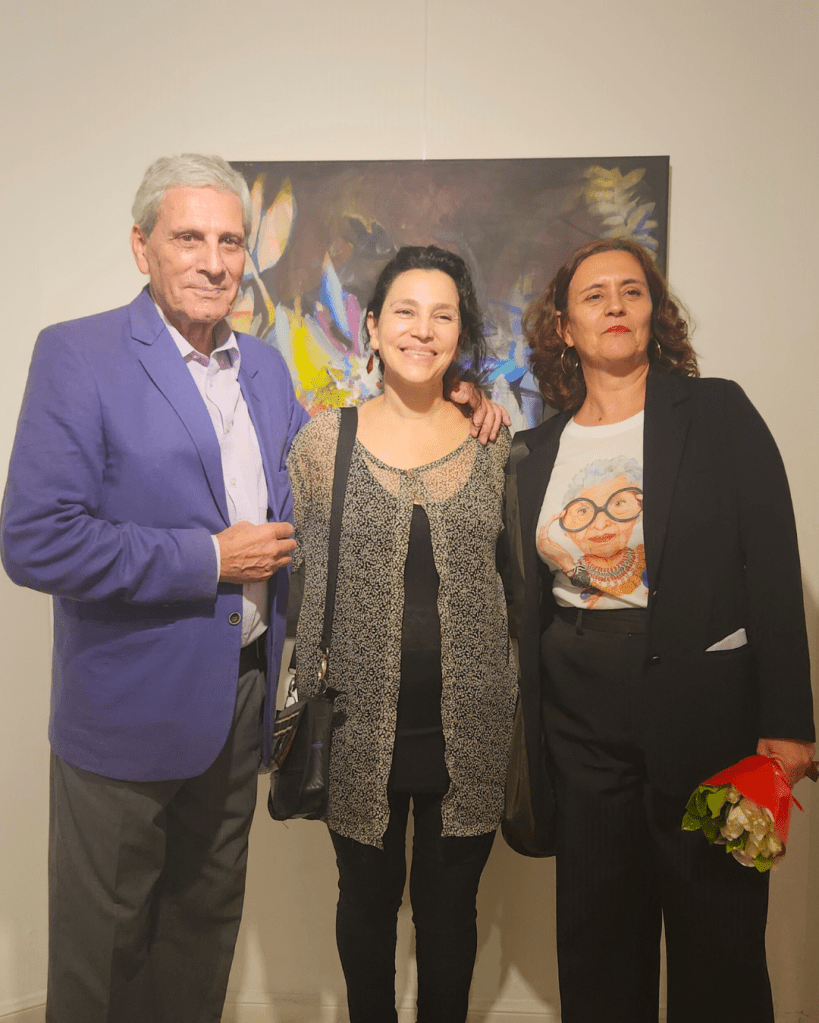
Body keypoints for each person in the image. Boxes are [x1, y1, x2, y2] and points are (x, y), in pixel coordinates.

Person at [0, 154, 506, 1022]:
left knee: (202, 935)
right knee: (103, 951)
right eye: (188, 238)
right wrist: (207, 558)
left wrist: (461, 395)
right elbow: (35, 539)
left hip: (241, 706)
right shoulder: (77, 354)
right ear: (142, 247)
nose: (213, 261)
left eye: (230, 241)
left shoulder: (266, 370)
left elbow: (351, 473)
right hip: (126, 710)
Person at [508, 238, 815, 1023]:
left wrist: (789, 722)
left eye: (631, 290)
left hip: (712, 723)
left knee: (722, 948)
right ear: (563, 327)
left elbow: (771, 562)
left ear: (654, 312)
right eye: (593, 295)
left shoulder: (717, 411)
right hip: (580, 731)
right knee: (598, 949)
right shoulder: (532, 453)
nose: (614, 304)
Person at [286, 245, 518, 1023]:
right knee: (365, 906)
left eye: (442, 315)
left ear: (461, 332)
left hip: (471, 729)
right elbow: (294, 572)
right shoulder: (323, 444)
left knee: (450, 916)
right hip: (356, 727)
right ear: (374, 328)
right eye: (405, 312)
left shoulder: (493, 444)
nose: (423, 329)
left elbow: (516, 581)